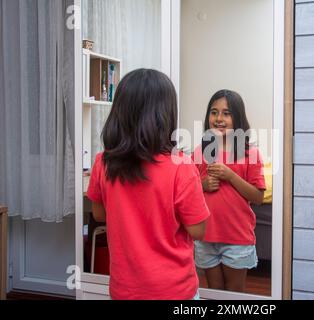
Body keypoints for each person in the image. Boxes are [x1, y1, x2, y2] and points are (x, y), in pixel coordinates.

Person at [86, 69, 210, 300]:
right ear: (166, 114)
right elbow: (198, 230)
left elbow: (99, 214)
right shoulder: (181, 165)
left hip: (125, 290)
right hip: (174, 291)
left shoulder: (103, 162)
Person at [192, 90, 266, 292]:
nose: (219, 119)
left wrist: (231, 176)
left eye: (226, 113)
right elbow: (187, 190)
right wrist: (203, 184)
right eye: (214, 112)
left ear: (238, 117)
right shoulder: (200, 151)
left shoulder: (250, 153)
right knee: (214, 291)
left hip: (237, 237)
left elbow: (258, 197)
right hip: (206, 236)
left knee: (234, 292)